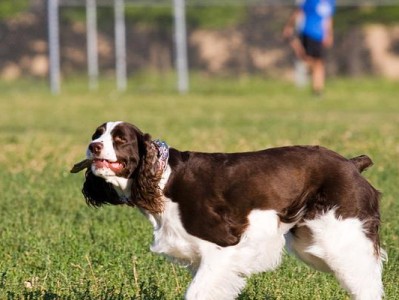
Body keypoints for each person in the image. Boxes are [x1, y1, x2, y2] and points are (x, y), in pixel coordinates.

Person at [283, 0, 336, 95]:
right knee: (311, 61)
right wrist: (289, 26)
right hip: (309, 32)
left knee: (319, 63)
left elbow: (328, 18)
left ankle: (318, 90)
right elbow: (299, 11)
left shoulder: (331, 2)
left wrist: (328, 34)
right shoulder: (311, 1)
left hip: (320, 35)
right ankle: (315, 84)